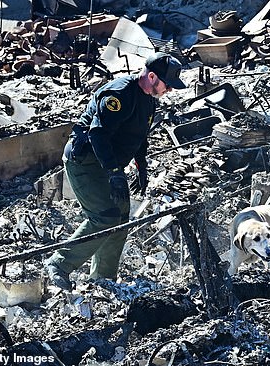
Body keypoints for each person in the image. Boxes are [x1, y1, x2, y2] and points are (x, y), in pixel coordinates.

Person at [45, 52, 187, 290]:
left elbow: (139, 135)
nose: (169, 91)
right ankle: (58, 265)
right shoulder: (119, 95)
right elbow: (97, 135)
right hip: (86, 161)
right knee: (104, 217)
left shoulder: (149, 99)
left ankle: (103, 279)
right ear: (152, 77)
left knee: (120, 220)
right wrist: (114, 173)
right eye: (167, 85)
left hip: (110, 164)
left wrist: (141, 165)